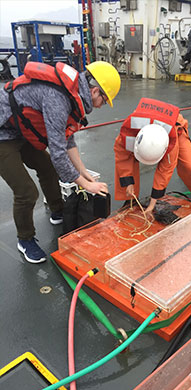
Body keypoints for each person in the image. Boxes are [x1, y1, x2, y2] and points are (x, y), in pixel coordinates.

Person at [0, 60, 121, 263]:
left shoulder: (72, 94)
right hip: (3, 133)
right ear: (94, 91)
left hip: (21, 131)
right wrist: (86, 185)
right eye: (104, 100)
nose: (101, 106)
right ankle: (25, 239)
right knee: (26, 192)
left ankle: (58, 211)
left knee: (47, 168)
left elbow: (68, 139)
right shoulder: (57, 98)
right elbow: (58, 153)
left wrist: (84, 173)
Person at [114, 98, 191, 219]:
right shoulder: (128, 132)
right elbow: (122, 158)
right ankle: (130, 200)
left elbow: (164, 172)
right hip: (148, 124)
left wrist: (152, 205)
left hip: (175, 127)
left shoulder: (171, 144)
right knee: (124, 168)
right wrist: (128, 182)